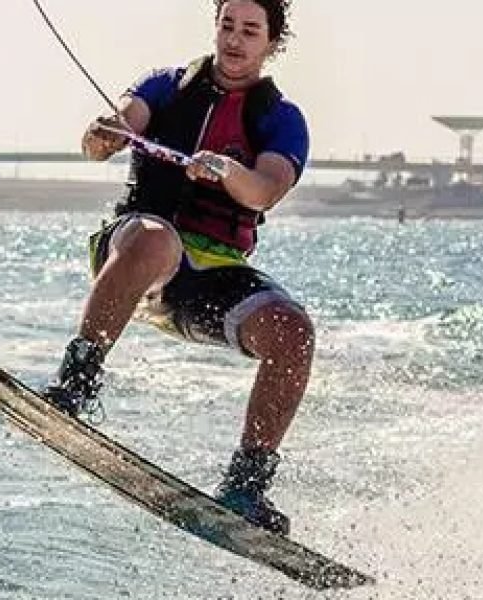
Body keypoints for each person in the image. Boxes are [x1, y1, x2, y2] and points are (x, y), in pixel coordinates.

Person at [43, 0, 311, 536]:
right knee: (155, 238)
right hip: (137, 252)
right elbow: (115, 128)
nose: (234, 40)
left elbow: (265, 190)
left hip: (210, 275)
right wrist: (104, 136)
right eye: (227, 25)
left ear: (271, 44)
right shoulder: (165, 86)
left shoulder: (282, 120)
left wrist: (232, 171)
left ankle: (247, 484)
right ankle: (75, 383)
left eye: (250, 31)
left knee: (293, 333)